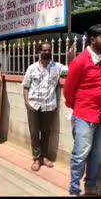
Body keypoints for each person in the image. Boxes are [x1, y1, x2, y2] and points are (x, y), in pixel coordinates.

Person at [63, 24, 101, 196]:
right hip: (84, 114)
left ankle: (90, 187)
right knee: (80, 154)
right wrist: (74, 107)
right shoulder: (79, 61)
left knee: (98, 154)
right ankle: (74, 189)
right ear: (92, 39)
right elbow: (68, 88)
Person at [22, 41, 69, 172]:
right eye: (44, 50)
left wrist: (71, 56)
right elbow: (25, 86)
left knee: (46, 132)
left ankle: (44, 157)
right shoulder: (32, 68)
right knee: (34, 133)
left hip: (49, 105)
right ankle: (36, 158)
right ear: (39, 52)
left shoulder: (57, 67)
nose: (47, 52)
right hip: (33, 105)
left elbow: (72, 70)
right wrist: (27, 103)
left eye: (49, 50)